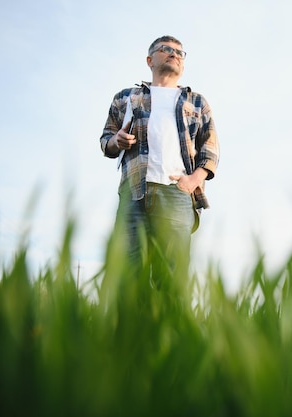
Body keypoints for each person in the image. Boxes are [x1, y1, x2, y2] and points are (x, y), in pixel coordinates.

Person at [99, 35, 219, 291]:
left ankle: (172, 329)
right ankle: (131, 329)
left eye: (180, 52)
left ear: (183, 65)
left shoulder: (196, 102)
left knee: (172, 277)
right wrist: (116, 141)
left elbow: (210, 148)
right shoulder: (125, 98)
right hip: (133, 192)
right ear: (149, 60)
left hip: (176, 193)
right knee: (129, 276)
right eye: (166, 49)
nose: (174, 54)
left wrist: (193, 181)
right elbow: (106, 140)